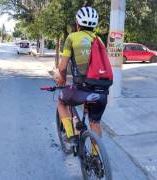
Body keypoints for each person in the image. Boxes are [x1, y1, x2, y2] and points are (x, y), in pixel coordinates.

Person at [55, 7, 108, 154]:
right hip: (101, 92)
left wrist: (62, 79)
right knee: (95, 122)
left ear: (78, 23)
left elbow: (62, 67)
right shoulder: (99, 40)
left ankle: (71, 136)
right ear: (94, 25)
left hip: (82, 90)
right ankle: (97, 158)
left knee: (61, 101)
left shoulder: (72, 37)